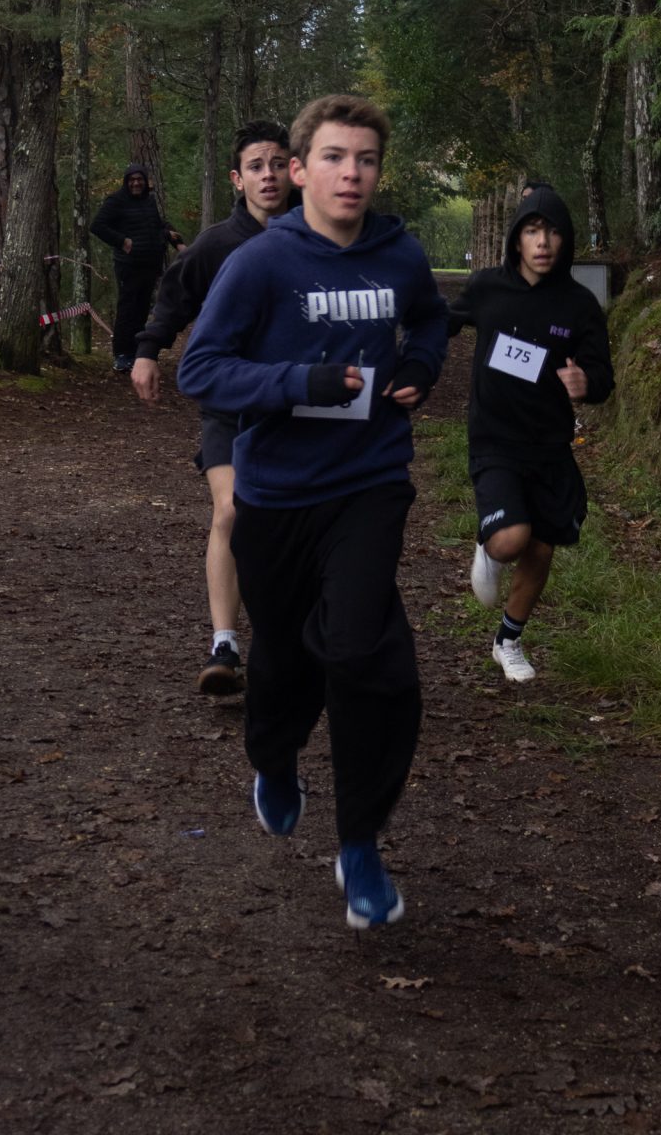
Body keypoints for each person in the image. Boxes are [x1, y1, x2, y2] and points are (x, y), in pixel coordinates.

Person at [177, 94, 448, 929]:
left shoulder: (400, 254)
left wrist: (421, 367)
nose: (351, 173)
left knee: (366, 656)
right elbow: (202, 370)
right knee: (288, 660)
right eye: (333, 157)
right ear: (299, 171)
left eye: (365, 159)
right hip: (278, 495)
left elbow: (431, 321)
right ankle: (275, 757)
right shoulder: (261, 263)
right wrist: (301, 383)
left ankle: (360, 842)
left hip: (368, 482)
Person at [131, 122, 293, 696]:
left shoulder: (317, 237)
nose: (268, 175)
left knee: (289, 523)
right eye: (256, 166)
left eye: (278, 163)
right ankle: (225, 642)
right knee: (231, 510)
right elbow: (174, 298)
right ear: (237, 179)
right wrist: (147, 351)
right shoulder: (217, 243)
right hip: (230, 403)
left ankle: (292, 635)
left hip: (297, 404)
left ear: (296, 171)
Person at [449, 184, 614, 683]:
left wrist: (586, 384)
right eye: (532, 231)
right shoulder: (488, 288)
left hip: (549, 446)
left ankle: (508, 641)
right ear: (516, 239)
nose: (543, 242)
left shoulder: (579, 305)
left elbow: (602, 377)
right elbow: (441, 322)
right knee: (510, 540)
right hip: (494, 439)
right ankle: (489, 545)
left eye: (553, 233)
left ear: (567, 241)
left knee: (541, 548)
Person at [90, 164, 185, 371]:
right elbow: (97, 226)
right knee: (127, 309)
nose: (136, 183)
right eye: (132, 180)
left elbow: (159, 226)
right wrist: (122, 241)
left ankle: (135, 352)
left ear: (145, 181)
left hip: (150, 265)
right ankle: (121, 354)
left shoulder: (148, 201)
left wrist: (178, 243)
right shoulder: (116, 201)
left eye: (139, 179)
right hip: (128, 265)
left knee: (142, 310)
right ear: (126, 182)